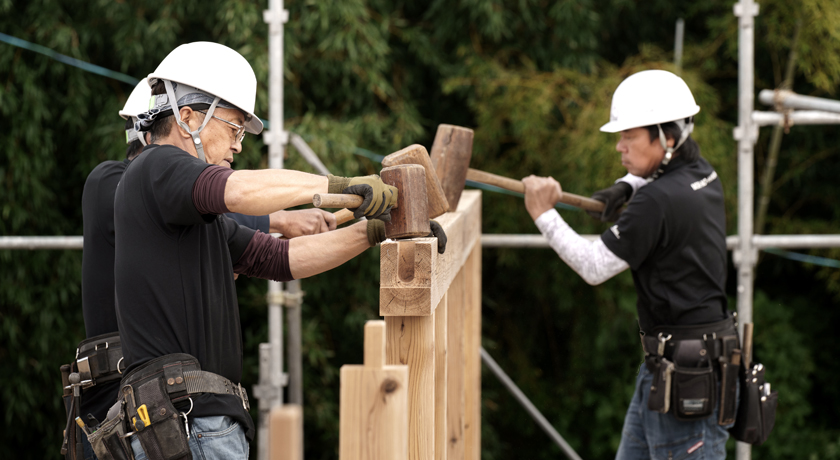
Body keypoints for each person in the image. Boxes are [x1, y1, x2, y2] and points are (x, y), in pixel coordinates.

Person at [107, 42, 443, 460]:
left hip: (197, 423)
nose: (238, 145)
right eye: (233, 128)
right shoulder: (156, 167)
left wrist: (375, 231)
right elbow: (241, 190)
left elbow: (282, 259)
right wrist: (338, 187)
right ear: (187, 116)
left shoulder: (194, 219)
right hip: (189, 425)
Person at [69, 77, 339, 460]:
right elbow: (211, 198)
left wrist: (366, 231)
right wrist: (278, 219)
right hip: (126, 402)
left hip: (156, 404)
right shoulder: (117, 181)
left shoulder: (178, 210)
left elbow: (242, 241)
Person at [522, 70, 737, 459]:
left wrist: (543, 214)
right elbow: (659, 178)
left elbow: (593, 266)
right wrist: (625, 186)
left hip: (686, 383)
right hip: (680, 366)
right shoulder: (704, 173)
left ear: (667, 136)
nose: (619, 146)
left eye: (629, 136)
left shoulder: (655, 203)